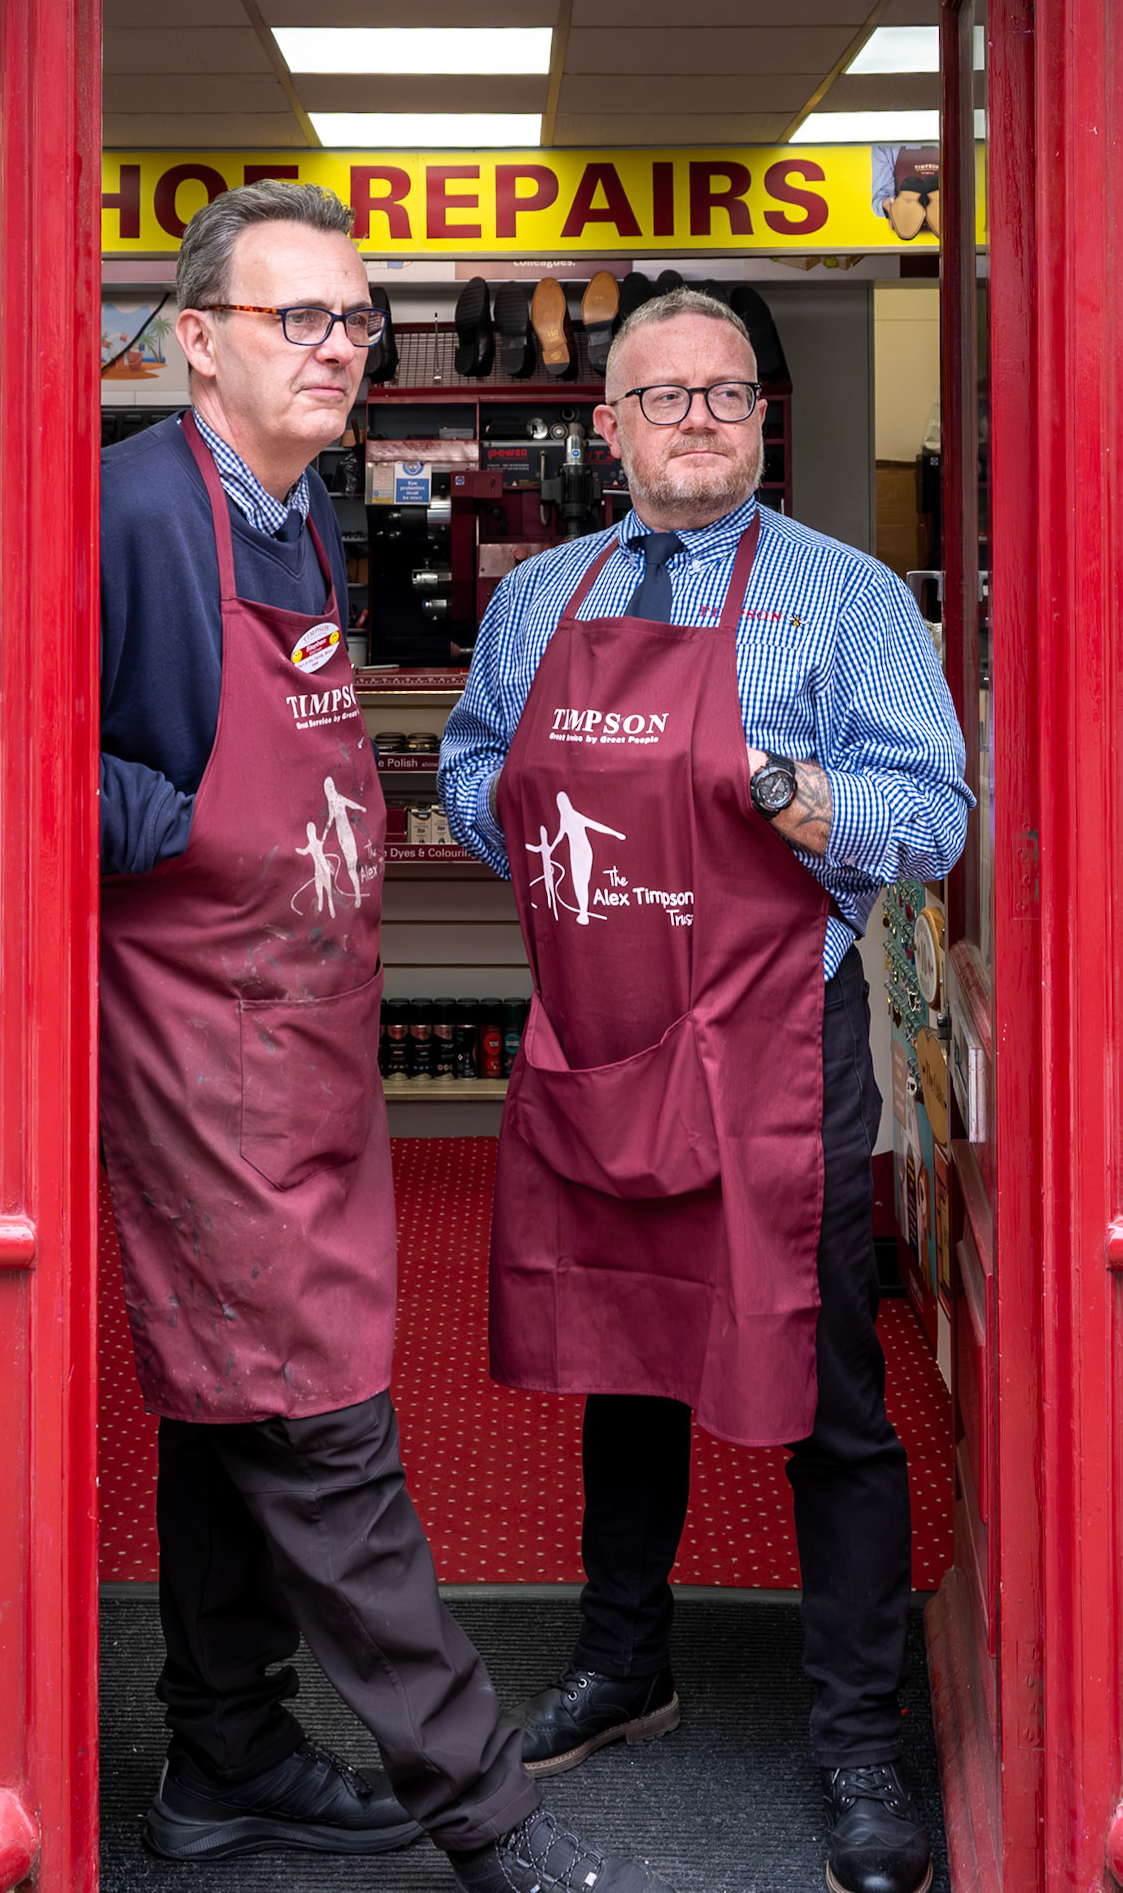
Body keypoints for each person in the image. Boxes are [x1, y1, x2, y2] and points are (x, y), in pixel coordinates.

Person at [99, 179, 674, 1893]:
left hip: (310, 1029)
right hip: (201, 1035)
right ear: (196, 342)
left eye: (355, 318)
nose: (339, 346)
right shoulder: (136, 511)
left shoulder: (300, 511)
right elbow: (18, 754)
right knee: (319, 1416)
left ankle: (229, 1754)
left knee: (230, 1409)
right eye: (301, 317)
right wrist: (201, 810)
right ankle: (486, 1817)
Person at [439, 288, 972, 1893]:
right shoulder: (538, 598)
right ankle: (624, 1662)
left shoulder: (846, 596)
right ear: (606, 427)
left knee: (825, 1395)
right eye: (660, 399)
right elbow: (472, 763)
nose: (694, 422)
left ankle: (860, 1738)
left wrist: (783, 794)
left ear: (760, 422)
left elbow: (932, 813)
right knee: (625, 1348)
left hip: (770, 1047)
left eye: (724, 398)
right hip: (600, 1027)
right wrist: (537, 840)